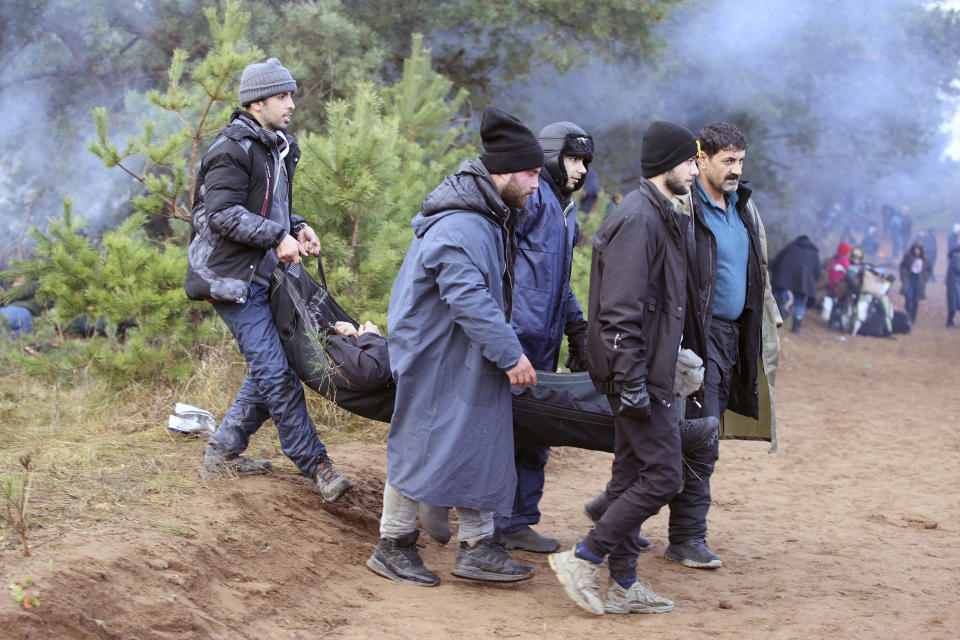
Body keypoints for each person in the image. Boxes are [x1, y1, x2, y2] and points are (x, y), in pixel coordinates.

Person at [366, 105, 541, 588]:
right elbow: (468, 297)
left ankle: (479, 547)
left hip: (458, 352)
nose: (536, 183)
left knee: (476, 441)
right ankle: (393, 545)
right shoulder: (462, 224)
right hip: (435, 355)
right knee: (422, 442)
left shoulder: (484, 214)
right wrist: (510, 353)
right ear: (502, 171)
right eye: (530, 173)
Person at [548, 120, 701, 616]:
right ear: (666, 166)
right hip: (633, 374)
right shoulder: (639, 219)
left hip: (645, 370)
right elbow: (618, 311)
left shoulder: (661, 214)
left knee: (629, 476)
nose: (696, 170)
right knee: (662, 477)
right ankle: (584, 557)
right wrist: (633, 380)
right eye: (690, 161)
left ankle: (625, 584)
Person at [185, 58, 352, 503]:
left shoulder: (275, 147)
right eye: (283, 96)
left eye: (291, 95)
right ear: (257, 102)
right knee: (277, 374)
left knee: (269, 369)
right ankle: (317, 464)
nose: (292, 104)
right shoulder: (230, 148)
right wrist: (276, 235)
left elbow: (266, 205)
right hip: (230, 280)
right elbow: (220, 214)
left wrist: (295, 225)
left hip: (264, 276)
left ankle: (221, 453)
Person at [663, 122, 780, 570]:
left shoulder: (744, 208)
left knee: (692, 433)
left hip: (734, 336)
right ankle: (686, 536)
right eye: (727, 160)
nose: (735, 170)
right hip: (694, 335)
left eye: (740, 161)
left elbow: (758, 271)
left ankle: (624, 521)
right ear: (702, 159)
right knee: (700, 433)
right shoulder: (684, 207)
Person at [495, 121, 593, 553]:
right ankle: (488, 521)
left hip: (546, 339)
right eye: (573, 158)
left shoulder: (564, 210)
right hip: (516, 335)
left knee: (536, 432)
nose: (582, 169)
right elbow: (497, 264)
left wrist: (578, 327)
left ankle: (518, 520)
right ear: (551, 154)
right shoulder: (532, 199)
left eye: (586, 161)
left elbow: (558, 281)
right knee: (499, 430)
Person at [771, 235, 821, 334]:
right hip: (803, 282)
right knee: (800, 302)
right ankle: (796, 327)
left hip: (784, 278)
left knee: (777, 296)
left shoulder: (790, 247)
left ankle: (771, 319)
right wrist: (811, 281)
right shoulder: (814, 254)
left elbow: (777, 261)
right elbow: (817, 272)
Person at [899, 241, 931, 324]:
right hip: (910, 279)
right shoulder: (909, 256)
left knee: (916, 300)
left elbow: (929, 270)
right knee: (908, 297)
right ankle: (907, 315)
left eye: (918, 249)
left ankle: (913, 317)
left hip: (919, 281)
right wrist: (903, 277)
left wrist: (925, 278)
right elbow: (902, 266)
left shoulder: (925, 259)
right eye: (915, 249)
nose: (917, 251)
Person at [946, 243, 960, 328]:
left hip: (955, 282)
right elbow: (958, 269)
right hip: (954, 283)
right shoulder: (956, 257)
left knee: (954, 302)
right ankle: (950, 321)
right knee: (953, 303)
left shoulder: (955, 256)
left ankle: (950, 320)